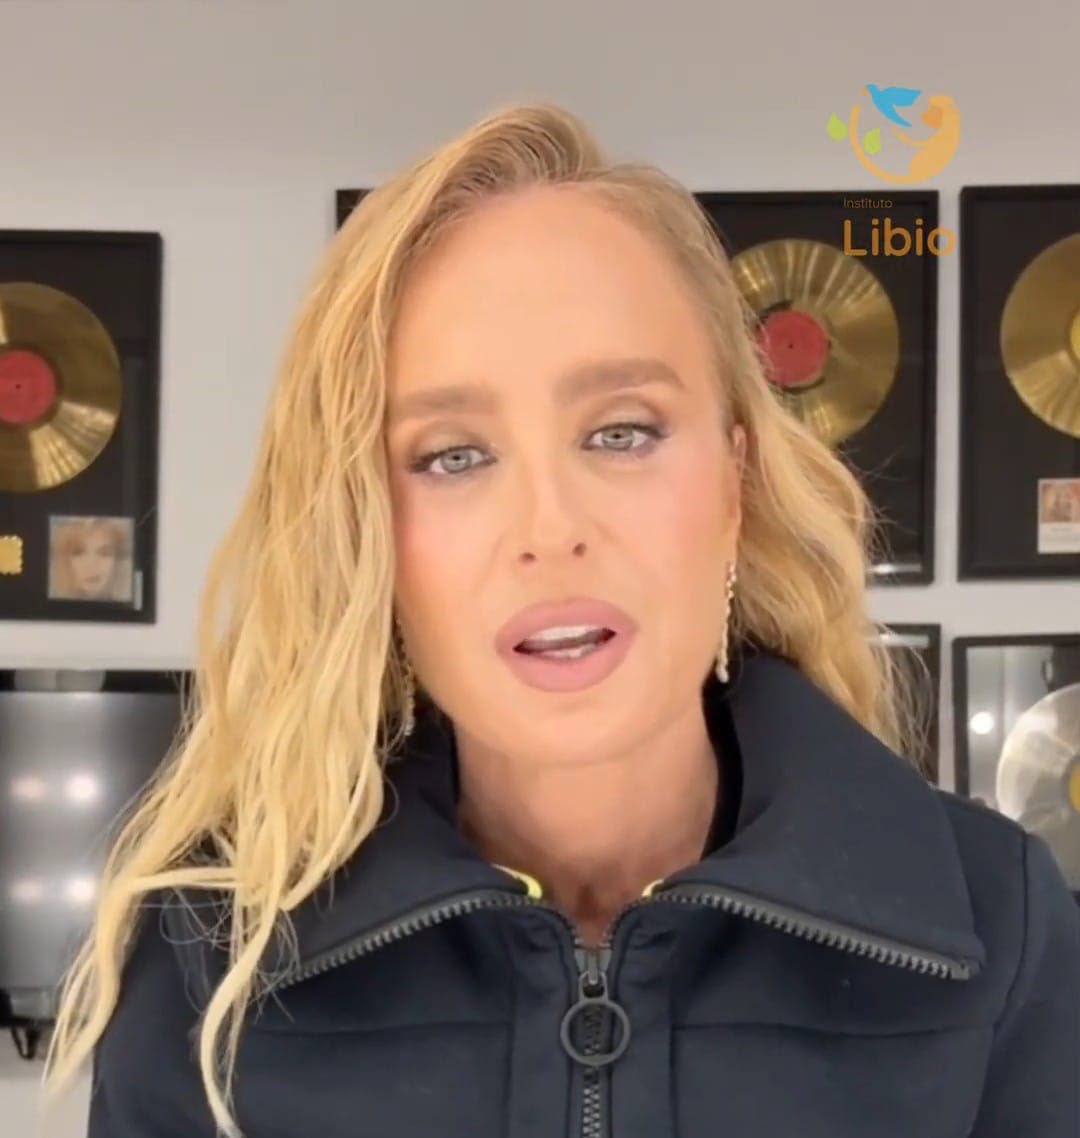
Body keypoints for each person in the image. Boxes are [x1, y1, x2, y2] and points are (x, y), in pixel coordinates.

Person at [42, 102, 1078, 1138]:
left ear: (734, 483)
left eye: (622, 432)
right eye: (453, 456)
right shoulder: (203, 960)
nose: (550, 530)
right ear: (367, 533)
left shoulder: (1001, 925)